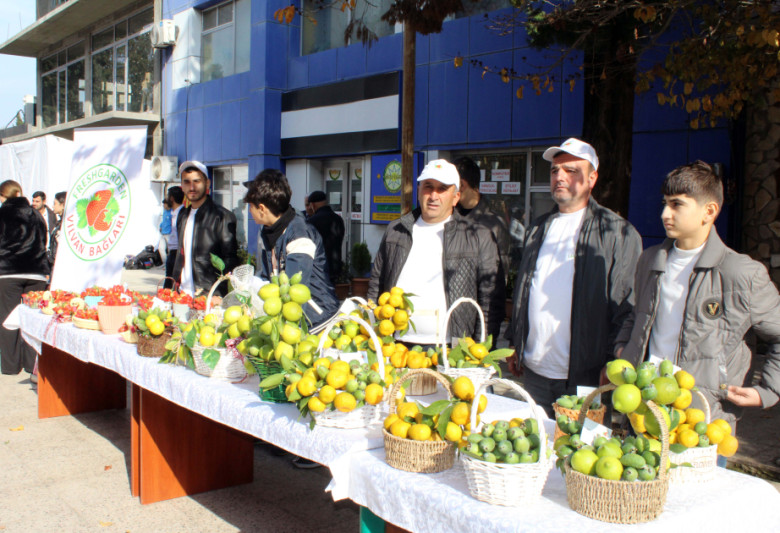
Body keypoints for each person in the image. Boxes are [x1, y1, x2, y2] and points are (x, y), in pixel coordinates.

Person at [615, 161, 780, 430]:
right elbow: (637, 315)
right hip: (643, 412)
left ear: (709, 211)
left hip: (702, 422)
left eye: (677, 204)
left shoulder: (741, 273)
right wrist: (623, 347)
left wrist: (768, 391)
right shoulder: (650, 260)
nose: (665, 214)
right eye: (665, 203)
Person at [507, 138, 642, 416]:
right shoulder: (537, 229)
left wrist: (612, 361)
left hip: (588, 376)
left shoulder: (617, 233)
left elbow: (626, 304)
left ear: (592, 178)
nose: (560, 177)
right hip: (534, 373)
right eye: (555, 170)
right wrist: (515, 341)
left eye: (571, 170)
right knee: (533, 450)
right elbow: (524, 291)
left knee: (579, 455)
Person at [368, 159, 505, 347]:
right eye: (428, 187)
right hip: (396, 346)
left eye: (442, 189)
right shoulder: (396, 231)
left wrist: (482, 348)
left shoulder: (478, 236)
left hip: (452, 349)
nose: (433, 195)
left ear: (456, 197)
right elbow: (376, 284)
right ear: (418, 191)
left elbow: (490, 301)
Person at [245, 169, 339, 327]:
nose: (249, 211)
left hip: (317, 322)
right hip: (290, 319)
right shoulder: (268, 232)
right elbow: (270, 276)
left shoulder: (299, 233)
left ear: (261, 208)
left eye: (250, 206)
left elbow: (293, 289)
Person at [0, 180, 50, 380]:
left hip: (9, 271)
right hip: (36, 271)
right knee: (31, 319)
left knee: (6, 319)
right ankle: (32, 364)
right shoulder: (36, 214)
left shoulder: (2, 213)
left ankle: (11, 365)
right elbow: (43, 240)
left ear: (4, 196)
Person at [172, 161, 239, 296]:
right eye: (187, 182)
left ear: (207, 183)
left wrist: (219, 294)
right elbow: (179, 254)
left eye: (197, 181)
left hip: (207, 295)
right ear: (182, 186)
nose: (192, 187)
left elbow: (230, 261)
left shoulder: (222, 216)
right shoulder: (182, 215)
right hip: (182, 294)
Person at [453, 156, 513, 276]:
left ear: (462, 185)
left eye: (450, 184)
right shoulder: (447, 216)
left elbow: (500, 273)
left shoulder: (494, 224)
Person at [306, 190, 345, 283]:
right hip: (335, 266)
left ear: (313, 205)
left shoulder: (311, 222)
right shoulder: (338, 219)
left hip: (318, 268)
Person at [163, 186, 184, 289]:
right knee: (168, 279)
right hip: (172, 251)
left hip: (178, 252)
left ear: (172, 198)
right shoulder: (173, 213)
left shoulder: (183, 213)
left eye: (167, 196)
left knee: (174, 281)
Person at [32, 191, 57, 260]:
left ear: (44, 202)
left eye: (37, 201)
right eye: (33, 201)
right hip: (34, 253)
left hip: (48, 253)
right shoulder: (29, 213)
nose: (34, 203)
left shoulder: (51, 215)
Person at [48, 191, 66, 266]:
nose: (52, 206)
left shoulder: (65, 225)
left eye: (55, 203)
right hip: (53, 263)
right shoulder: (58, 223)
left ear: (62, 205)